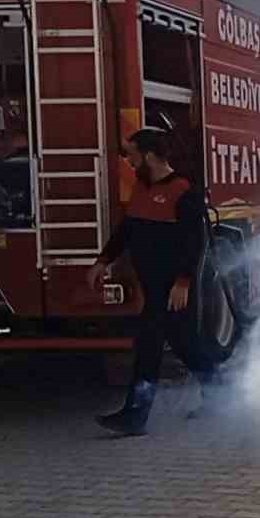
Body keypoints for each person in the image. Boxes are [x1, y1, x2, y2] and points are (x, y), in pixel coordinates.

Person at [88, 127, 216, 437]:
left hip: (174, 288)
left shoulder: (184, 192)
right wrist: (103, 260)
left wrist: (183, 282)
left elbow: (193, 243)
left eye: (131, 154)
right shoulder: (141, 189)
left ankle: (135, 415)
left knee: (149, 345)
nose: (128, 161)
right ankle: (223, 392)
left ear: (148, 156)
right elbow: (127, 232)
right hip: (153, 286)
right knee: (186, 345)